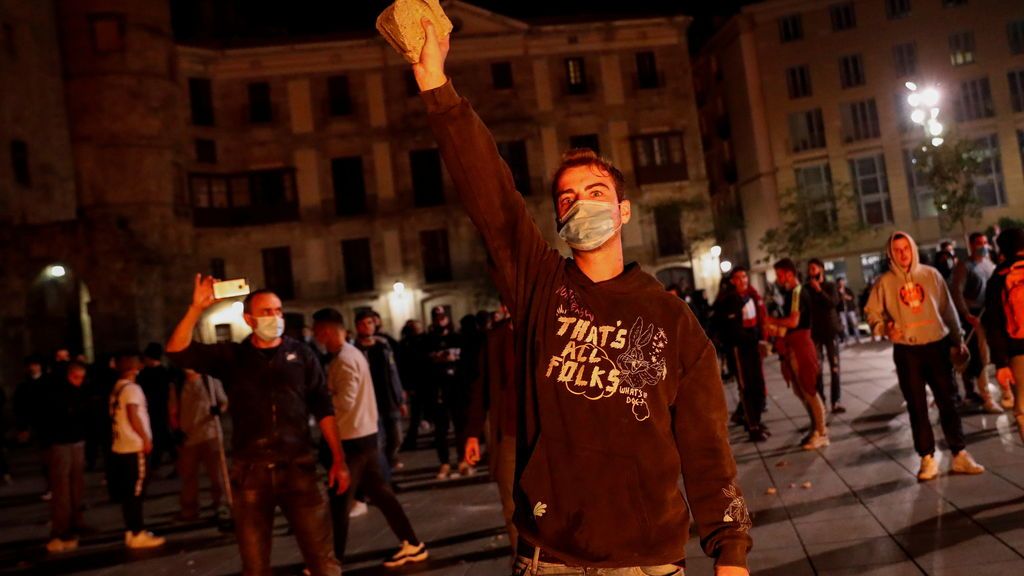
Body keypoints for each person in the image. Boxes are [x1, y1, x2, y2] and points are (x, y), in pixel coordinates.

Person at [415, 21, 750, 574]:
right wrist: (434, 81)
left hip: (646, 563)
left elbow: (708, 448)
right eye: (567, 197)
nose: (581, 204)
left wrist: (730, 549)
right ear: (558, 217)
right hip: (550, 557)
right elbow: (491, 197)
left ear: (623, 210)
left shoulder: (671, 319)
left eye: (597, 193)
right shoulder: (541, 288)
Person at [166, 279, 347, 576]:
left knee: (323, 561)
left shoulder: (302, 355)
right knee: (255, 565)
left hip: (299, 467)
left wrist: (339, 460)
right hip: (251, 473)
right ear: (249, 319)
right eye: (266, 312)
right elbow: (177, 351)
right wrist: (195, 309)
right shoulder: (232, 357)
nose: (274, 318)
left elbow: (324, 408)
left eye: (278, 311)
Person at [312, 308, 427, 568]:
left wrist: (323, 398)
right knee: (381, 493)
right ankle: (413, 544)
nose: (316, 336)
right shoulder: (351, 354)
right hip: (366, 435)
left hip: (352, 439)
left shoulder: (344, 359)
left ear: (327, 331)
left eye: (318, 331)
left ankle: (332, 561)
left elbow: (346, 401)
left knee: (340, 503)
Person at [866, 231, 986, 480]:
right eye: (896, 250)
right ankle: (927, 458)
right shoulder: (884, 283)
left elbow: (948, 310)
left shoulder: (931, 275)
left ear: (912, 249)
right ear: (890, 253)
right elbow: (872, 315)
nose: (902, 254)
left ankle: (959, 454)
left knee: (949, 402)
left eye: (906, 248)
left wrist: (958, 339)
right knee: (917, 405)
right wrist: (884, 328)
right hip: (907, 350)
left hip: (937, 346)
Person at [465, 304, 518, 555]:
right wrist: (472, 435)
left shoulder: (547, 330)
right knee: (511, 506)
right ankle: (524, 565)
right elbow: (481, 387)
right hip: (508, 434)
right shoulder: (495, 338)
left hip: (548, 438)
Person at [766, 258, 829, 449]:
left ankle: (822, 432)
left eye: (779, 275)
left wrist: (771, 321)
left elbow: (793, 322)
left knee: (808, 389)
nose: (777, 279)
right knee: (800, 390)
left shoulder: (797, 292)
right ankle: (815, 429)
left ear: (789, 274)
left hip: (800, 345)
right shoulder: (788, 293)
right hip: (792, 344)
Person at [109, 353, 166, 549]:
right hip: (134, 446)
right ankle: (137, 532)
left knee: (128, 491)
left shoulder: (117, 388)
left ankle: (131, 530)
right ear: (134, 368)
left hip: (121, 446)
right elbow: (133, 414)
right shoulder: (132, 389)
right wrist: (144, 438)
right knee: (136, 491)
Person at [712, 267, 770, 442]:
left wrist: (761, 339)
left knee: (758, 386)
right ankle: (753, 426)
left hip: (752, 347)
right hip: (738, 349)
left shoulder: (750, 296)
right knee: (747, 388)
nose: (743, 280)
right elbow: (732, 330)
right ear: (732, 281)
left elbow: (757, 321)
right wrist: (753, 340)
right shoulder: (729, 300)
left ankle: (755, 421)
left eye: (744, 276)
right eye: (738, 278)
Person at [951, 232, 1001, 413]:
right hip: (975, 316)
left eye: (985, 242)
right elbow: (957, 292)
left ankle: (1003, 392)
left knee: (994, 355)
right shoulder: (965, 267)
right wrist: (965, 314)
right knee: (981, 356)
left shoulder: (989, 264)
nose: (983, 246)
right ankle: (986, 396)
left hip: (991, 314)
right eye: (979, 243)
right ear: (971, 245)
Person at [44, 362, 90, 553]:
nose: (79, 382)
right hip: (61, 442)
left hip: (75, 440)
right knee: (62, 487)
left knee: (76, 484)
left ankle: (75, 521)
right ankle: (61, 528)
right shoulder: (57, 394)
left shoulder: (78, 392)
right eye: (76, 378)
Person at [353, 310, 406, 473]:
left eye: (369, 323)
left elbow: (393, 372)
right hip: (369, 403)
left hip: (389, 399)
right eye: (362, 324)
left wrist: (400, 398)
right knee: (378, 442)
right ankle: (384, 475)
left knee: (396, 438)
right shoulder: (355, 349)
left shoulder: (384, 345)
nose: (366, 327)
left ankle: (389, 464)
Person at [984, 227, 1024, 441]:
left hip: (1018, 351)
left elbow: (994, 324)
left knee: (1023, 409)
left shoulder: (998, 277)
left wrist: (1000, 364)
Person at [172, 368, 229, 521]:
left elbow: (224, 402)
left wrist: (219, 410)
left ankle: (221, 506)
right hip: (188, 437)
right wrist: (175, 429)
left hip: (210, 434)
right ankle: (189, 509)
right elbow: (172, 409)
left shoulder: (210, 381)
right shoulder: (177, 385)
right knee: (188, 476)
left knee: (217, 475)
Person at [423, 306, 464, 479]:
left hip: (456, 387)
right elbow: (423, 363)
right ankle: (445, 462)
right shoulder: (428, 340)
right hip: (438, 389)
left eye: (442, 317)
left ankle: (463, 460)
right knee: (441, 429)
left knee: (460, 426)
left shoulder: (457, 338)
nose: (440, 320)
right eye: (437, 317)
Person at [806, 259, 845, 414]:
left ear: (821, 269)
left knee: (835, 368)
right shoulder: (806, 289)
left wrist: (819, 291)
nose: (811, 271)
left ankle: (836, 400)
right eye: (809, 269)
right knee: (818, 370)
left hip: (830, 331)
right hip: (815, 333)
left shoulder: (830, 286)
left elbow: (832, 303)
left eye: (814, 268)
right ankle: (821, 401)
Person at [136, 343, 177, 471]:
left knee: (161, 436)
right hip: (158, 409)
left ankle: (156, 465)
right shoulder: (163, 372)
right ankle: (168, 462)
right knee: (162, 436)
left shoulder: (148, 374)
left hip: (156, 409)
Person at [14, 356, 50, 497]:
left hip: (49, 424)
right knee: (44, 457)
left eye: (35, 365)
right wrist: (22, 428)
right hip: (36, 425)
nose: (32, 368)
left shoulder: (48, 382)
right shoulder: (24, 386)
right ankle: (50, 485)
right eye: (30, 365)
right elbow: (20, 408)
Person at [399, 320, 431, 451]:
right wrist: (407, 386)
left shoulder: (426, 341)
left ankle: (412, 440)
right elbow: (404, 367)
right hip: (417, 382)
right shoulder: (406, 344)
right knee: (416, 414)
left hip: (427, 380)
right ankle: (411, 440)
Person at [836, 277, 861, 345]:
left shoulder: (848, 289)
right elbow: (836, 301)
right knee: (844, 325)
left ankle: (857, 338)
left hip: (850, 309)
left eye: (842, 281)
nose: (841, 283)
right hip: (842, 310)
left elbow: (852, 297)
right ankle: (847, 339)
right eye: (840, 282)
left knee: (854, 323)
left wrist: (845, 295)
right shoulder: (836, 291)